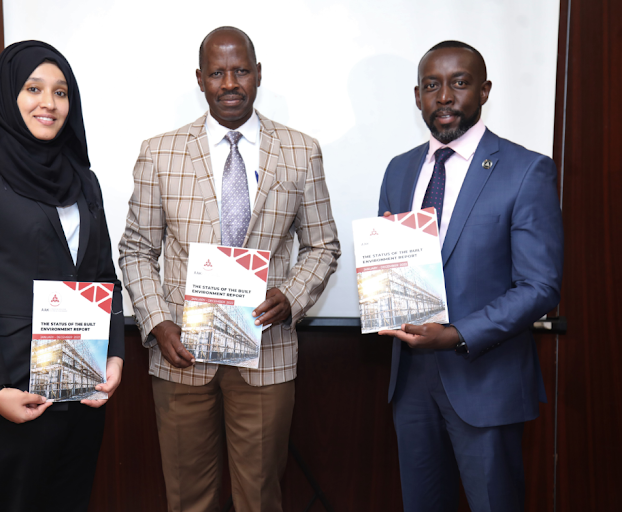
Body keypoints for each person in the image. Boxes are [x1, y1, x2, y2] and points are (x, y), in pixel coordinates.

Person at [119, 26, 340, 512]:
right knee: (188, 498)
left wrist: (293, 296)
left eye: (240, 70)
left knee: (260, 497)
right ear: (200, 79)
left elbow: (323, 246)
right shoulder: (159, 152)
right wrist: (157, 322)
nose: (230, 83)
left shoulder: (302, 150)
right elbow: (136, 249)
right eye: (217, 73)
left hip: (268, 350)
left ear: (258, 74)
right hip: (181, 356)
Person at [0, 40, 124, 512]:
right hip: (8, 398)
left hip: (79, 390)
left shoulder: (83, 178)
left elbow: (102, 274)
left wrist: (115, 354)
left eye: (61, 92)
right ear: (6, 94)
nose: (48, 103)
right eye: (33, 88)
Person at [377, 41, 563, 512]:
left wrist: (457, 333)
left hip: (487, 380)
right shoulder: (399, 170)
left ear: (483, 91)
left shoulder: (526, 170)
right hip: (412, 384)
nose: (444, 96)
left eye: (459, 83)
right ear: (417, 96)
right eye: (431, 86)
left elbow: (540, 285)